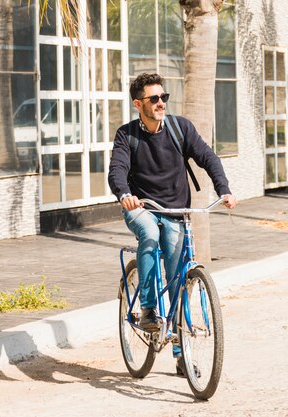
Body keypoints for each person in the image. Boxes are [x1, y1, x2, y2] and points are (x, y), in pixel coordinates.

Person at [108, 73, 237, 375]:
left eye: (163, 97)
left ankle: (182, 355)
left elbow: (207, 157)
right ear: (138, 104)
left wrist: (224, 189)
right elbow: (117, 169)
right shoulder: (127, 135)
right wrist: (124, 194)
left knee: (179, 280)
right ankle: (150, 310)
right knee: (150, 235)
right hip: (143, 206)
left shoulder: (180, 128)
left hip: (176, 208)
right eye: (154, 99)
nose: (161, 103)